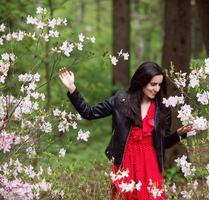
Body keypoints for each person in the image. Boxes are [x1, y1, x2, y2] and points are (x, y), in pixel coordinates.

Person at [59, 62, 194, 200]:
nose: (157, 89)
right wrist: (72, 88)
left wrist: (179, 134)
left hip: (150, 165)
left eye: (159, 85)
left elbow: (163, 143)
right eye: (153, 84)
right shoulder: (121, 100)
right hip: (126, 163)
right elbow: (89, 113)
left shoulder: (163, 109)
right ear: (142, 81)